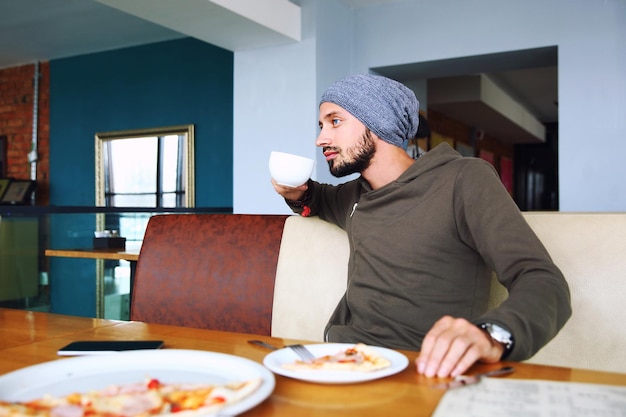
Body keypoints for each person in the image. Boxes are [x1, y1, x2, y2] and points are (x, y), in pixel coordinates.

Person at [271, 74, 571, 378]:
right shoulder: (355, 195)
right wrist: (297, 192)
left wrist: (492, 335)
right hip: (341, 361)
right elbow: (316, 199)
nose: (320, 139)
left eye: (335, 122)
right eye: (321, 126)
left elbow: (543, 281)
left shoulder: (464, 180)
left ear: (378, 123)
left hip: (425, 372)